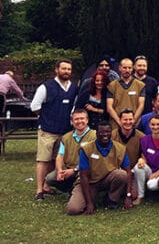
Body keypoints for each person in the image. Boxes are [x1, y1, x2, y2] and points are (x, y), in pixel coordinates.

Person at [31, 59, 77, 201]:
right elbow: (35, 106)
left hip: (65, 132)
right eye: (63, 69)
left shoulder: (74, 88)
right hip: (47, 130)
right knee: (43, 160)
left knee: (56, 160)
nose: (66, 71)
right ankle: (39, 190)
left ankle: (47, 185)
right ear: (56, 70)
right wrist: (47, 117)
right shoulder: (46, 87)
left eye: (69, 69)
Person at [66, 121, 133, 215]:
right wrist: (89, 203)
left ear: (111, 133)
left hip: (107, 180)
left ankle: (111, 199)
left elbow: (128, 172)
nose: (105, 135)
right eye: (101, 132)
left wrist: (128, 196)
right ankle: (81, 195)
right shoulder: (87, 149)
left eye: (107, 132)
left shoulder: (120, 148)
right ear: (96, 133)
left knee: (122, 175)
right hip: (89, 183)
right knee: (73, 209)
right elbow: (83, 176)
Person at [45, 109, 96, 195]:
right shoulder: (66, 137)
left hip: (86, 169)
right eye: (76, 119)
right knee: (50, 178)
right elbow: (60, 156)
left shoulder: (95, 136)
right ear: (72, 122)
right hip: (68, 168)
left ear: (87, 120)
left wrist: (75, 170)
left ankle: (78, 191)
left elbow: (94, 158)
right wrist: (59, 171)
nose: (79, 121)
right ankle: (70, 189)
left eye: (82, 118)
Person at [133, 114, 159, 205]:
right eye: (153, 124)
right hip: (150, 170)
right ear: (149, 125)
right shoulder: (144, 139)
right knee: (138, 167)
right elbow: (144, 154)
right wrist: (141, 160)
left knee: (151, 185)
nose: (155, 127)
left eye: (158, 124)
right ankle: (140, 196)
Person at [112, 109, 145, 199]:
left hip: (133, 171)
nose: (128, 122)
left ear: (134, 120)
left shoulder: (141, 136)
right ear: (120, 120)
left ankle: (127, 189)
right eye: (125, 120)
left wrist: (142, 159)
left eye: (130, 119)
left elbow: (144, 153)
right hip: (117, 170)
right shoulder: (112, 135)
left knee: (134, 195)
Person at [106, 58, 146, 129]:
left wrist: (132, 121)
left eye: (129, 68)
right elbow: (109, 107)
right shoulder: (112, 86)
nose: (127, 70)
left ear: (133, 68)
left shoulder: (140, 85)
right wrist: (119, 121)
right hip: (116, 124)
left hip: (134, 124)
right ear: (120, 68)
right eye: (124, 67)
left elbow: (141, 106)